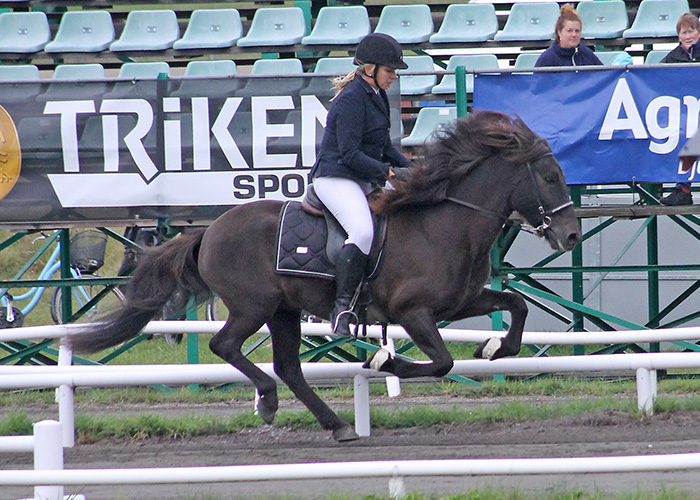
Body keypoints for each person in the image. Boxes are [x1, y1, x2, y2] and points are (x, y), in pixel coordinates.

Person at [309, 32, 414, 338]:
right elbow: (350, 153)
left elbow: (384, 146)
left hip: (362, 176)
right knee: (363, 231)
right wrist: (389, 173)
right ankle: (342, 308)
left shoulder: (377, 95)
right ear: (370, 69)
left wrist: (413, 168)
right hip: (336, 177)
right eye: (390, 70)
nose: (394, 76)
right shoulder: (352, 99)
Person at [658, 13, 700, 206]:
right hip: (683, 116)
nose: (688, 35)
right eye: (684, 32)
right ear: (678, 35)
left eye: (692, 31)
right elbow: (655, 76)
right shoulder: (673, 56)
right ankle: (682, 189)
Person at [535, 4, 603, 67]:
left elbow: (603, 75)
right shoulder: (546, 59)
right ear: (559, 32)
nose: (574, 35)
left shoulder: (587, 54)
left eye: (577, 31)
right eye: (569, 31)